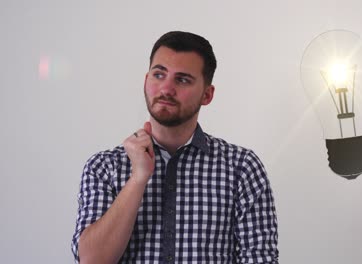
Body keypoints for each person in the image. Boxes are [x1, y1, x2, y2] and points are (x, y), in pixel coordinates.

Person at [71, 31, 279, 263]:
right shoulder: (104, 167)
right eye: (159, 75)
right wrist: (138, 178)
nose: (166, 89)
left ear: (207, 95)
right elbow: (91, 260)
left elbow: (260, 258)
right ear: (146, 80)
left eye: (182, 80)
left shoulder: (241, 167)